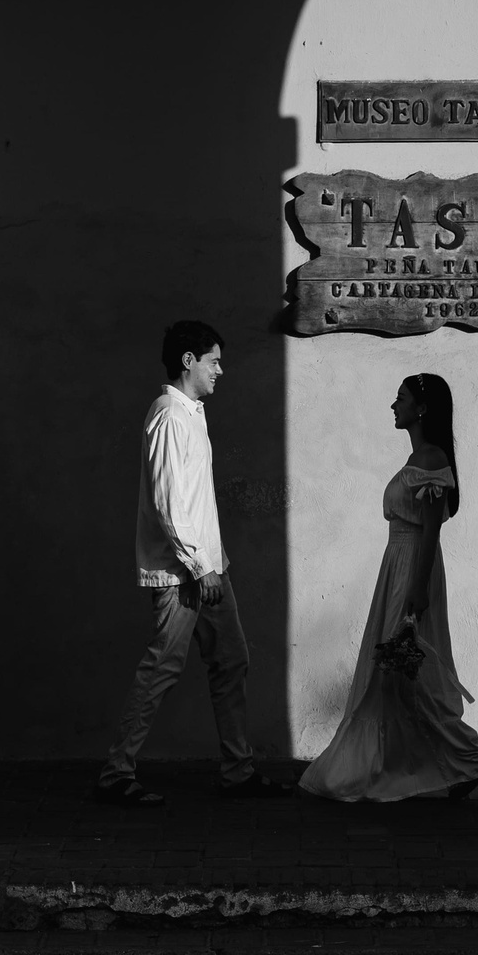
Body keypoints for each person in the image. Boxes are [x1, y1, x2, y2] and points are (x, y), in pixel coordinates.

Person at [94, 320, 291, 807]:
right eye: (213, 361)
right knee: (162, 666)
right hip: (184, 573)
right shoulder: (169, 416)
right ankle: (117, 774)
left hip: (208, 570)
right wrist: (201, 567)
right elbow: (169, 503)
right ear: (189, 361)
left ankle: (238, 771)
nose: (221, 370)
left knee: (231, 660)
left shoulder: (192, 413)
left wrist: (212, 566)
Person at [300, 371, 478, 803]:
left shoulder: (430, 459)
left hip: (412, 566)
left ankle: (465, 756)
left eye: (401, 398)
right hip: (398, 564)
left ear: (422, 409)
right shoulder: (418, 459)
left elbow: (430, 532)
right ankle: (405, 763)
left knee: (404, 671)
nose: (394, 405)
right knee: (393, 672)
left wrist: (417, 590)